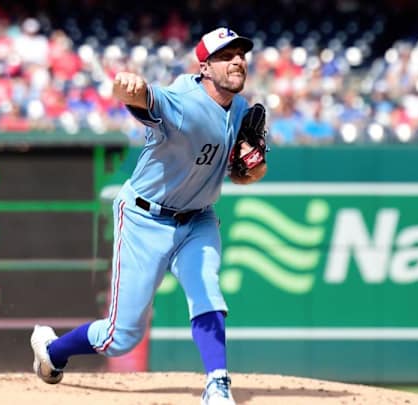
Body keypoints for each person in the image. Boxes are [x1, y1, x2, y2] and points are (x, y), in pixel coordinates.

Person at [29, 27, 267, 405]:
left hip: (198, 219)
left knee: (206, 288)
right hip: (145, 219)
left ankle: (217, 383)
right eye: (226, 55)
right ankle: (53, 350)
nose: (237, 61)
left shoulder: (241, 111)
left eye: (241, 54)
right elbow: (139, 98)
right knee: (120, 337)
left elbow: (246, 175)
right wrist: (128, 86)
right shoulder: (182, 99)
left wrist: (252, 169)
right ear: (205, 67)